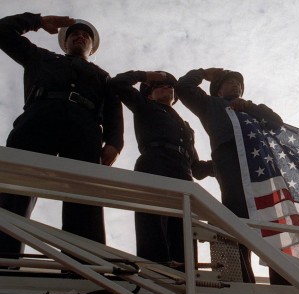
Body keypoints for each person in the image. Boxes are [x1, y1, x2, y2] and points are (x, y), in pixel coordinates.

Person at [0, 13, 123, 257]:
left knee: (84, 198)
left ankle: (85, 270)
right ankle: (4, 261)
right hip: (38, 120)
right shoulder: (42, 58)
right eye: (74, 34)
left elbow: (113, 108)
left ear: (92, 46)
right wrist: (36, 21)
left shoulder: (103, 76)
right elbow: (3, 31)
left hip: (85, 128)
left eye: (85, 35)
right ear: (64, 42)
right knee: (15, 192)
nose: (80, 36)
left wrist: (114, 142)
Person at [175, 68, 285, 284]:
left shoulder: (252, 111)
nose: (236, 86)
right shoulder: (211, 106)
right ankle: (242, 282)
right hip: (230, 163)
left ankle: (283, 282)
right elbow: (184, 88)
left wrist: (250, 106)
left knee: (273, 224)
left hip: (260, 168)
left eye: (239, 84)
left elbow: (277, 124)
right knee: (235, 221)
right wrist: (204, 73)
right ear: (217, 90)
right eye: (230, 82)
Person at [109, 70, 213, 269]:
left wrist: (220, 164)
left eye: (170, 86)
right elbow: (118, 83)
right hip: (154, 162)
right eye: (160, 86)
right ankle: (154, 269)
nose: (167, 87)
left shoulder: (186, 127)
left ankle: (186, 272)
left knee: (183, 228)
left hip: (183, 171)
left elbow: (197, 168)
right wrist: (144, 75)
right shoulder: (145, 106)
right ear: (149, 93)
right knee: (153, 222)